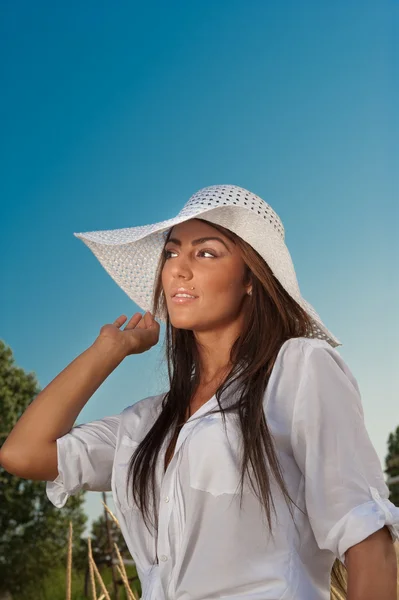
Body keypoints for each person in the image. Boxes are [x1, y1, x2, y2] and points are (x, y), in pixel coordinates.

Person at [1, 184, 398, 600]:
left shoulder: (298, 370)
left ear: (251, 278)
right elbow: (23, 453)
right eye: (171, 252)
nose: (177, 269)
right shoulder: (146, 423)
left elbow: (367, 538)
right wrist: (107, 350)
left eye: (205, 252)